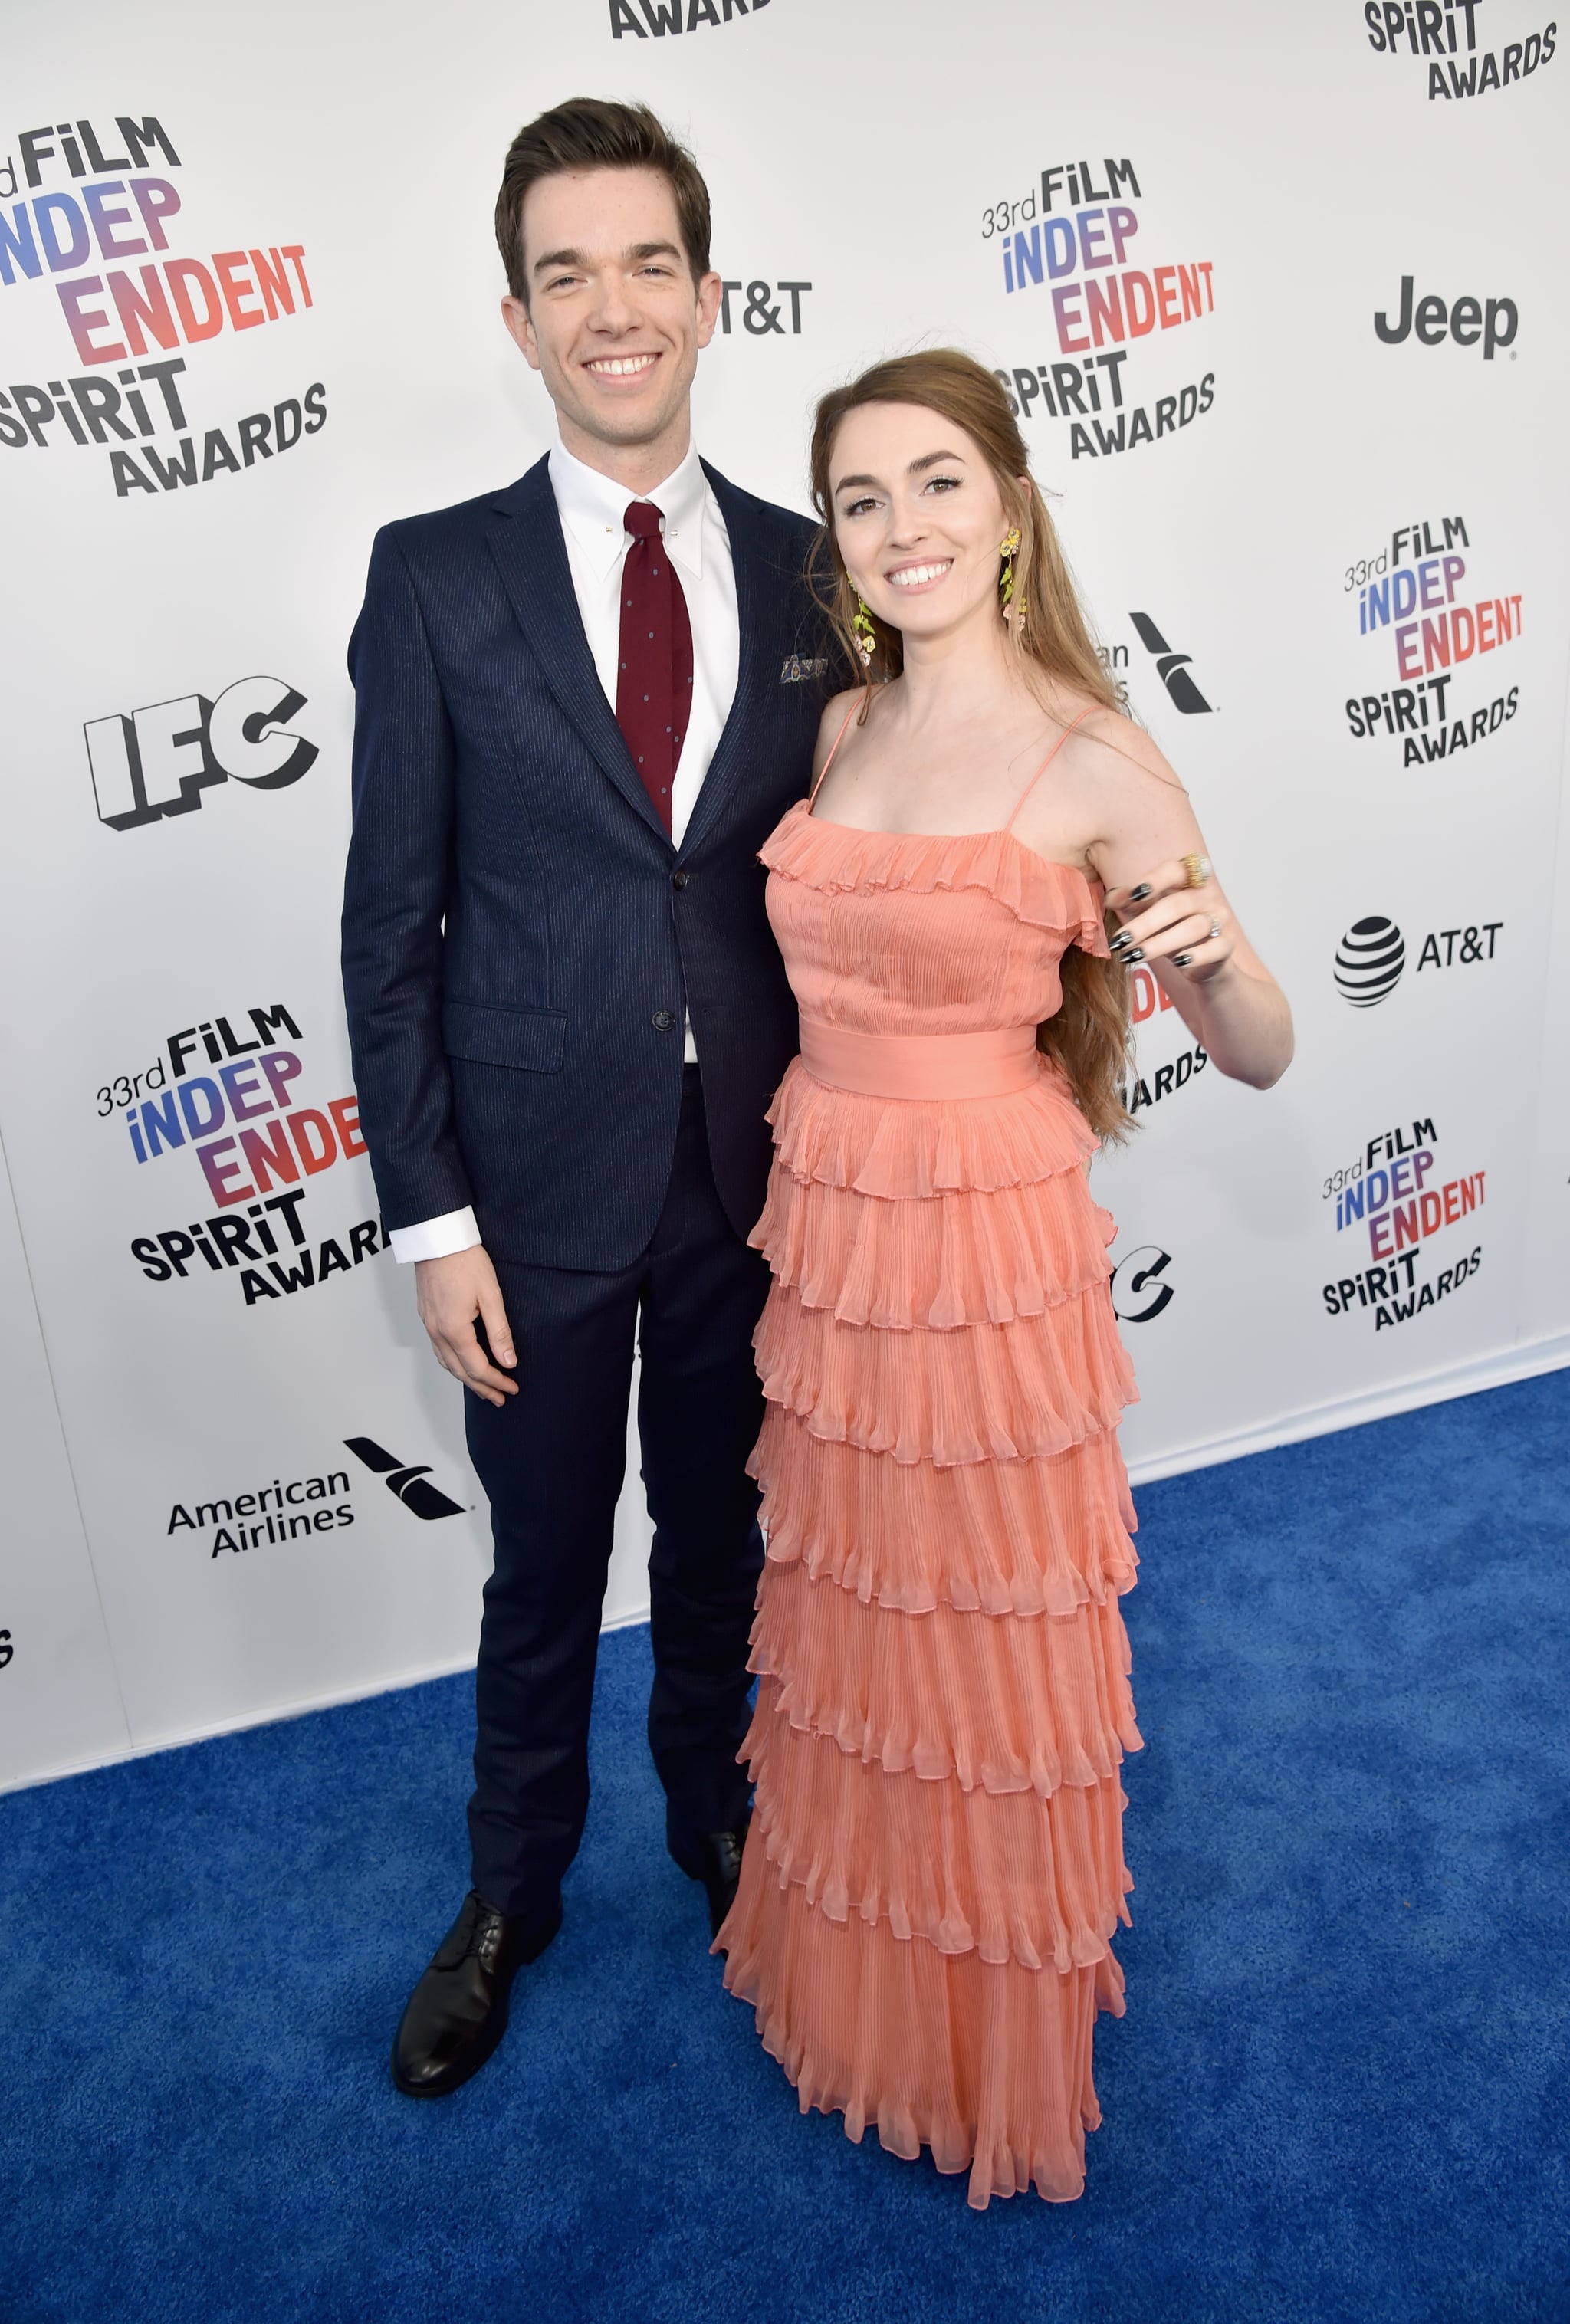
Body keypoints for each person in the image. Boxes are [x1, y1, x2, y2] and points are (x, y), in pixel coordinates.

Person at [717, 350, 1293, 2207]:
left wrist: (1212, 966)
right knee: (858, 1607)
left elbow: (1267, 1044)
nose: (905, 527)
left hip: (985, 1239)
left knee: (981, 1620)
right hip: (833, 1216)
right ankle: (863, 1981)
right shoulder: (840, 735)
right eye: (863, 498)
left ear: (1013, 503)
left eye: (940, 480)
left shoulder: (1098, 757)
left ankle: (983, 2044)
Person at [340, 98, 839, 2099]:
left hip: (755, 1177)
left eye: (650, 265)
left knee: (721, 1541)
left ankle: (716, 1821)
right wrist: (429, 1218)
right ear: (520, 319)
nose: (613, 309)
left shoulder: (821, 572)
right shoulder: (437, 577)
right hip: (530, 1198)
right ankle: (508, 1897)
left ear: (711, 298)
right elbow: (390, 928)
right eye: (569, 275)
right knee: (542, 1572)